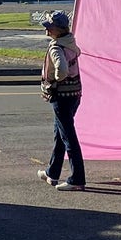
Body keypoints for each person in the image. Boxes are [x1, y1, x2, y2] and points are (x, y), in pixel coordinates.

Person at [36, 11, 86, 191]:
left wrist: (56, 80)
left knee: (68, 138)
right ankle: (52, 172)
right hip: (74, 95)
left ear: (58, 29)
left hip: (61, 96)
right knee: (59, 134)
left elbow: (62, 69)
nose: (47, 31)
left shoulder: (56, 47)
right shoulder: (71, 44)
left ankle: (77, 179)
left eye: (50, 27)